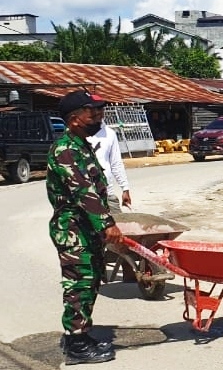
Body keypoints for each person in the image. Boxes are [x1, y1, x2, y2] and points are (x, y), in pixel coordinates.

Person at [47, 89, 123, 365]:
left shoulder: (82, 145)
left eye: (100, 110)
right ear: (74, 119)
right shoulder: (65, 150)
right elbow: (84, 192)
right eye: (92, 111)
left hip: (85, 229)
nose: (99, 115)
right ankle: (77, 345)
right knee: (79, 284)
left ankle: (80, 335)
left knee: (90, 282)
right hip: (73, 231)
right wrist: (107, 223)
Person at [87, 118, 132, 214]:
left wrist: (125, 188)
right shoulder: (77, 135)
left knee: (118, 225)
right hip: (85, 195)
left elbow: (116, 163)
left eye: (101, 109)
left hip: (107, 193)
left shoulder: (109, 134)